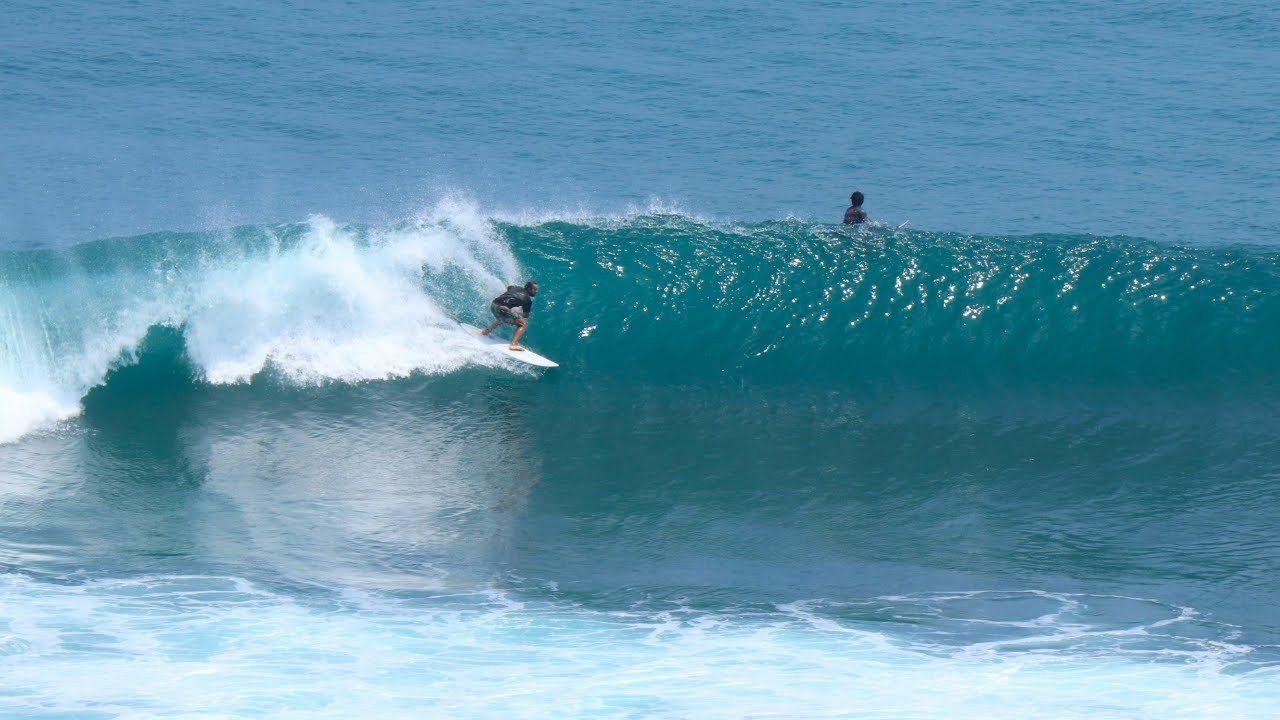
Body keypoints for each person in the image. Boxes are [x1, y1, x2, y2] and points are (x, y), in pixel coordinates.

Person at [480, 280, 539, 351]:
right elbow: (526, 315)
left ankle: (486, 331)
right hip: (502, 309)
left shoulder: (515, 287)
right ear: (529, 289)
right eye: (535, 289)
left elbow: (508, 287)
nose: (536, 291)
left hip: (494, 305)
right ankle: (513, 345)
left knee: (504, 318)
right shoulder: (528, 300)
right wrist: (518, 312)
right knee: (522, 324)